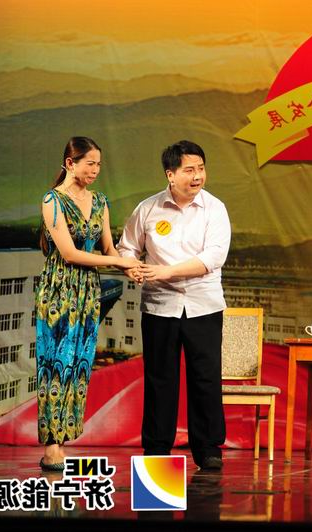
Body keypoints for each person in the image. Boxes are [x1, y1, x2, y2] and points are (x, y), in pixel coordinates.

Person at [118, 140, 231, 470]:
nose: (197, 176)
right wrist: (132, 267)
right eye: (189, 170)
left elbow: (214, 257)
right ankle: (157, 447)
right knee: (160, 379)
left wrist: (167, 271)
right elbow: (127, 247)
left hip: (203, 305)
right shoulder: (148, 209)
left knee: (205, 377)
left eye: (201, 169)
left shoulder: (215, 209)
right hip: (159, 306)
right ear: (170, 174)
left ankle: (208, 448)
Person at [35, 136, 141, 471]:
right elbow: (69, 253)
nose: (95, 170)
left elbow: (108, 249)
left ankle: (64, 438)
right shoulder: (53, 200)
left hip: (87, 293)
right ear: (70, 163)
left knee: (79, 364)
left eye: (98, 164)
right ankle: (52, 445)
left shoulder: (100, 201)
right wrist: (120, 263)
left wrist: (131, 267)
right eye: (89, 163)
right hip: (59, 290)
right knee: (55, 364)